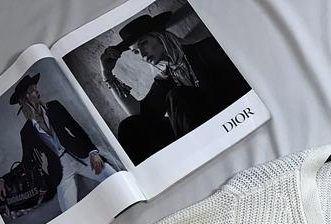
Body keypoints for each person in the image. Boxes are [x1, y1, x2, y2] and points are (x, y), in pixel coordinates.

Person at [99, 10, 251, 164]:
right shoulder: (167, 77)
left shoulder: (205, 48)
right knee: (130, 127)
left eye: (144, 43)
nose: (143, 55)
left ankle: (199, 157)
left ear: (160, 36)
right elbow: (140, 114)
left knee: (177, 95)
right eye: (136, 52)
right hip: (196, 135)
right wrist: (107, 75)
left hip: (229, 121)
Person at [0, 73, 117, 213]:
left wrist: (93, 152)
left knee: (114, 178)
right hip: (60, 171)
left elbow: (76, 129)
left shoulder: (54, 107)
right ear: (24, 99)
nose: (37, 91)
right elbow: (26, 162)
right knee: (69, 212)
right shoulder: (26, 132)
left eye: (36, 88)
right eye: (32, 90)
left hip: (81, 156)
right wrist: (3, 180)